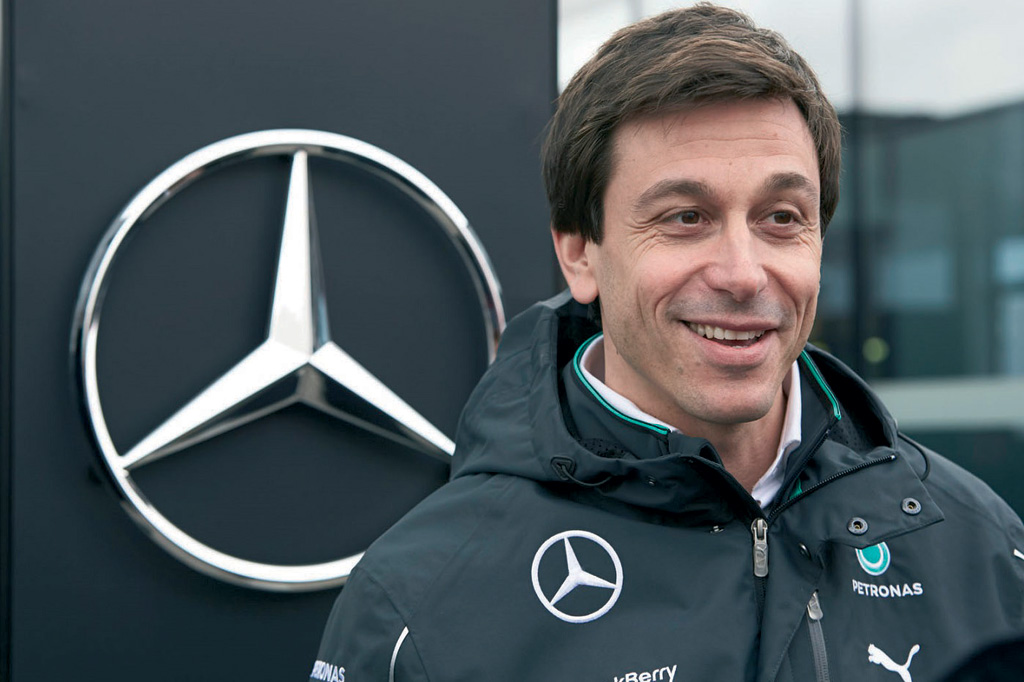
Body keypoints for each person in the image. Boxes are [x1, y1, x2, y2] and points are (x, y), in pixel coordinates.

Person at [311, 4, 1024, 681]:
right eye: (686, 217)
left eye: (781, 217)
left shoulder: (985, 550)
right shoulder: (419, 604)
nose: (743, 274)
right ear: (579, 253)